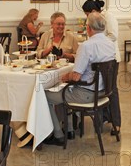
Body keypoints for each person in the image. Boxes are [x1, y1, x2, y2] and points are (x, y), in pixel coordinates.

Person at [43, 13, 116, 146]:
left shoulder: (86, 46)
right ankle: (69, 129)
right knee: (64, 90)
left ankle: (58, 134)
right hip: (104, 91)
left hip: (87, 94)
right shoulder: (110, 43)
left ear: (88, 28)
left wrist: (64, 77)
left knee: (45, 96)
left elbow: (76, 77)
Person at [81, 0, 121, 135]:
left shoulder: (109, 17)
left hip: (111, 58)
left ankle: (117, 122)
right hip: (100, 58)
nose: (87, 17)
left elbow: (113, 35)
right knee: (101, 88)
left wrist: (98, 45)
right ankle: (104, 117)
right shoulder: (96, 19)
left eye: (87, 14)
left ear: (93, 11)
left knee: (112, 90)